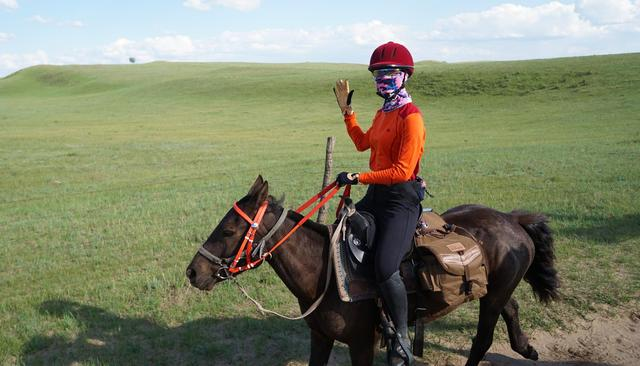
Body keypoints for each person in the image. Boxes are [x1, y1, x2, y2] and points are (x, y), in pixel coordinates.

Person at [333, 41, 426, 366]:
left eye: (388, 73)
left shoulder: (411, 117)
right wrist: (348, 113)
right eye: (377, 74)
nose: (381, 80)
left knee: (386, 268)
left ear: (404, 76)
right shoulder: (384, 112)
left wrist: (359, 178)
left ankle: (400, 338)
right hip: (377, 194)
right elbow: (362, 143)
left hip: (400, 199)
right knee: (342, 231)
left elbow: (401, 171)